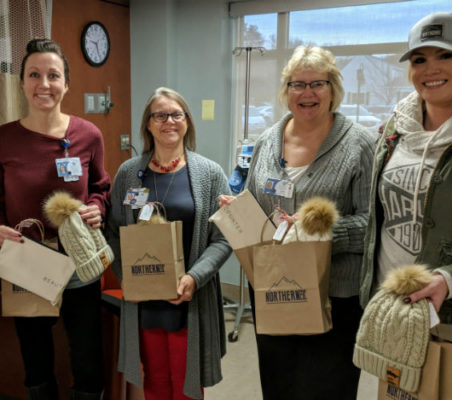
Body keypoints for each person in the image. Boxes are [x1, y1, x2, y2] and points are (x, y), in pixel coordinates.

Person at [219, 46, 376, 400]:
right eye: (296, 84)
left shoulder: (360, 144)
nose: (307, 93)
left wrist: (314, 233)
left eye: (317, 84)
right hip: (275, 287)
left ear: (333, 88)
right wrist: (241, 212)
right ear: (285, 91)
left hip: (334, 294)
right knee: (279, 385)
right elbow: (260, 206)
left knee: (326, 388)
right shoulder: (266, 141)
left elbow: (372, 225)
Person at [0, 39, 110, 400]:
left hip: (79, 260)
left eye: (53, 75)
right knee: (35, 357)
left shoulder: (88, 135)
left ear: (66, 83)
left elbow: (101, 186)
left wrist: (97, 206)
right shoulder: (2, 140)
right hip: (27, 260)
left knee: (87, 357)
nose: (44, 84)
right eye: (34, 75)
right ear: (21, 83)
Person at [107, 87, 232, 400]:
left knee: (187, 385)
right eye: (159, 115)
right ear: (148, 124)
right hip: (145, 302)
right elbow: (113, 231)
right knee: (155, 382)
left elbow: (223, 236)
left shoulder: (209, 173)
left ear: (187, 122)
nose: (168, 121)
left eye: (177, 114)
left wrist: (194, 278)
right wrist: (129, 280)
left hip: (188, 297)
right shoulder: (128, 174)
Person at [360, 12, 452, 341]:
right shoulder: (395, 130)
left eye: (446, 55)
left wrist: (448, 278)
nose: (431, 69)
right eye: (419, 59)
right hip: (393, 306)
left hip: (445, 313)